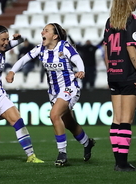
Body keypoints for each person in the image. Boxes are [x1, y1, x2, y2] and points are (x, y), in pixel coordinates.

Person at [6, 23, 95, 166]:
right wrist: (12, 71)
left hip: (69, 87)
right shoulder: (41, 48)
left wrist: (81, 70)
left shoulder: (64, 47)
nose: (42, 32)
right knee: (69, 123)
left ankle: (62, 153)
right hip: (53, 92)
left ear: (55, 36)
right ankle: (87, 142)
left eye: (46, 30)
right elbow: (24, 59)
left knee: (54, 115)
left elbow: (77, 58)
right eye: (42, 30)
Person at [0, 25, 43, 163]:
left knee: (17, 119)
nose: (6, 42)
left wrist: (19, 38)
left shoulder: (2, 47)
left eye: (7, 39)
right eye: (3, 39)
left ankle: (31, 156)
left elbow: (21, 41)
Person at [103, 0, 136, 171]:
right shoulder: (131, 20)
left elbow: (105, 50)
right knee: (126, 120)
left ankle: (118, 162)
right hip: (128, 74)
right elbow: (131, 47)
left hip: (113, 74)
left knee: (116, 119)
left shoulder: (110, 21)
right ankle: (122, 164)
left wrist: (110, 70)